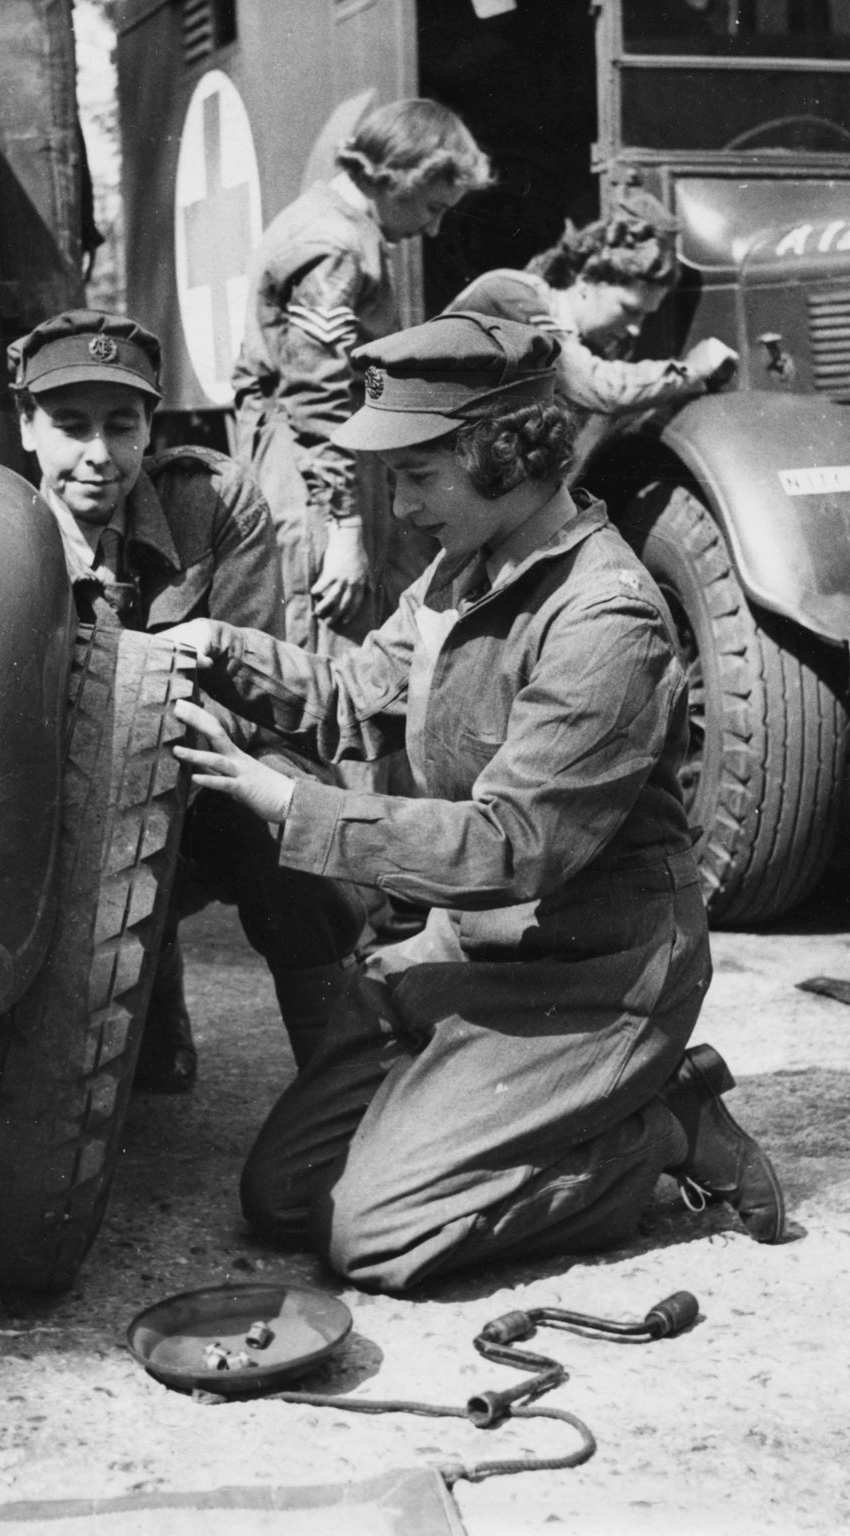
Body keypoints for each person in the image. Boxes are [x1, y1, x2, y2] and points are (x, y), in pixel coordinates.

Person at [163, 311, 786, 1292]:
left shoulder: (606, 617)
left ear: (502, 453)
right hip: (472, 952)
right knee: (286, 1200)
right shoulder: (463, 573)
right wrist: (221, 652)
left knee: (376, 1239)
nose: (401, 507)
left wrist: (291, 806)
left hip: (595, 973)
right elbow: (354, 699)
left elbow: (514, 846)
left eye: (418, 475)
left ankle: (660, 1127)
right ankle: (520, 1112)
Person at [8, 310, 365, 1093]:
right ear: (26, 426)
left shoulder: (210, 500)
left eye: (122, 426)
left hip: (188, 772)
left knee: (282, 810)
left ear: (149, 428)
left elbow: (253, 689)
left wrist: (145, 740)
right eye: (71, 426)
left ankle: (346, 1092)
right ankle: (147, 1000)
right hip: (51, 798)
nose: (99, 455)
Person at [233, 97, 492, 657]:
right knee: (326, 659)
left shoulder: (340, 228)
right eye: (431, 206)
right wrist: (346, 530)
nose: (435, 225)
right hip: (318, 485)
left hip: (335, 474)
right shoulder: (334, 246)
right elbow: (317, 399)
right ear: (396, 177)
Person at [448, 187, 738, 474]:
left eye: (646, 317)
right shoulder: (510, 297)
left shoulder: (592, 346)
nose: (636, 329)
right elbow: (599, 388)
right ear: (587, 280)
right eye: (629, 310)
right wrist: (692, 369)